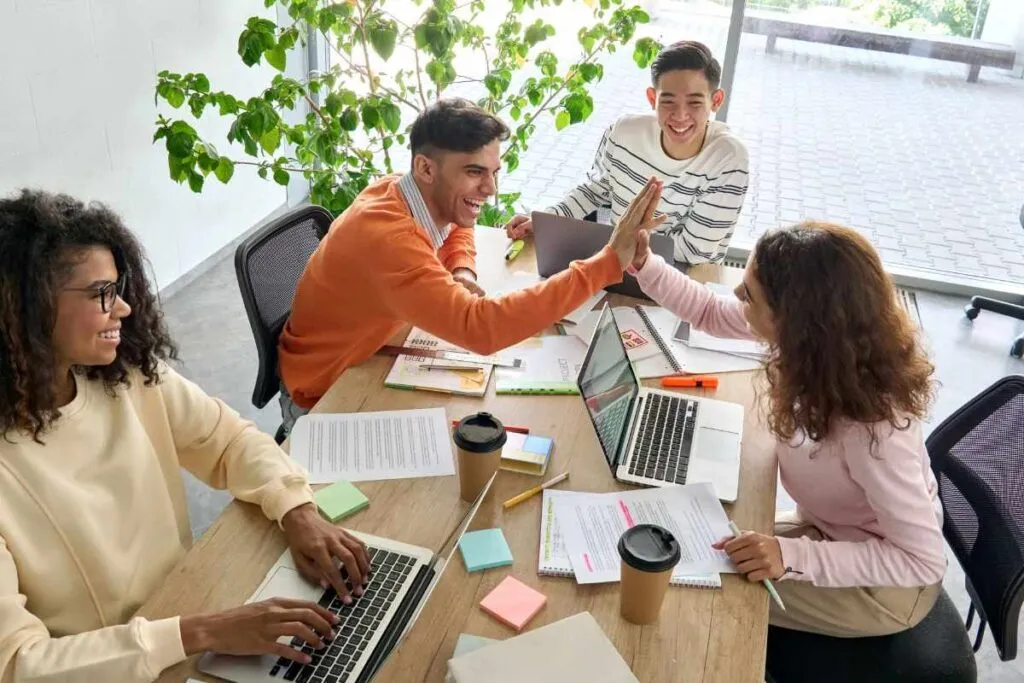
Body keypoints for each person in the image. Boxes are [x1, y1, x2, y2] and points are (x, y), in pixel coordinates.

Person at [0, 190, 373, 682]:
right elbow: (18, 664)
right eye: (102, 293)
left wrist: (296, 509)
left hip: (184, 613)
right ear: (25, 306)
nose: (126, 309)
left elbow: (230, 441)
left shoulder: (126, 376)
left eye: (121, 287)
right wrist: (200, 632)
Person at [629, 213, 946, 637]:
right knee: (687, 546)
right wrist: (644, 263)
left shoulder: (875, 429)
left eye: (749, 296)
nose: (736, 295)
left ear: (796, 322)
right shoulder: (814, 353)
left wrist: (791, 556)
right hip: (829, 534)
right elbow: (707, 309)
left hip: (885, 587)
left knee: (693, 588)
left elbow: (921, 560)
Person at [278, 98, 664, 421]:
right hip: (322, 395)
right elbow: (482, 329)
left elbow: (456, 223)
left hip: (369, 352)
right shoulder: (389, 240)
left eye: (494, 172)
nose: (491, 189)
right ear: (425, 168)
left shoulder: (400, 190)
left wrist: (460, 268)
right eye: (475, 172)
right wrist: (607, 263)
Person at [505, 40, 750, 266]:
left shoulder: (729, 158)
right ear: (652, 98)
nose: (681, 115)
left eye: (695, 103)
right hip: (617, 266)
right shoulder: (623, 132)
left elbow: (695, 252)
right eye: (668, 102)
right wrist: (546, 220)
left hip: (681, 280)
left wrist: (620, 243)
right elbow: (594, 191)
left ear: (716, 101)